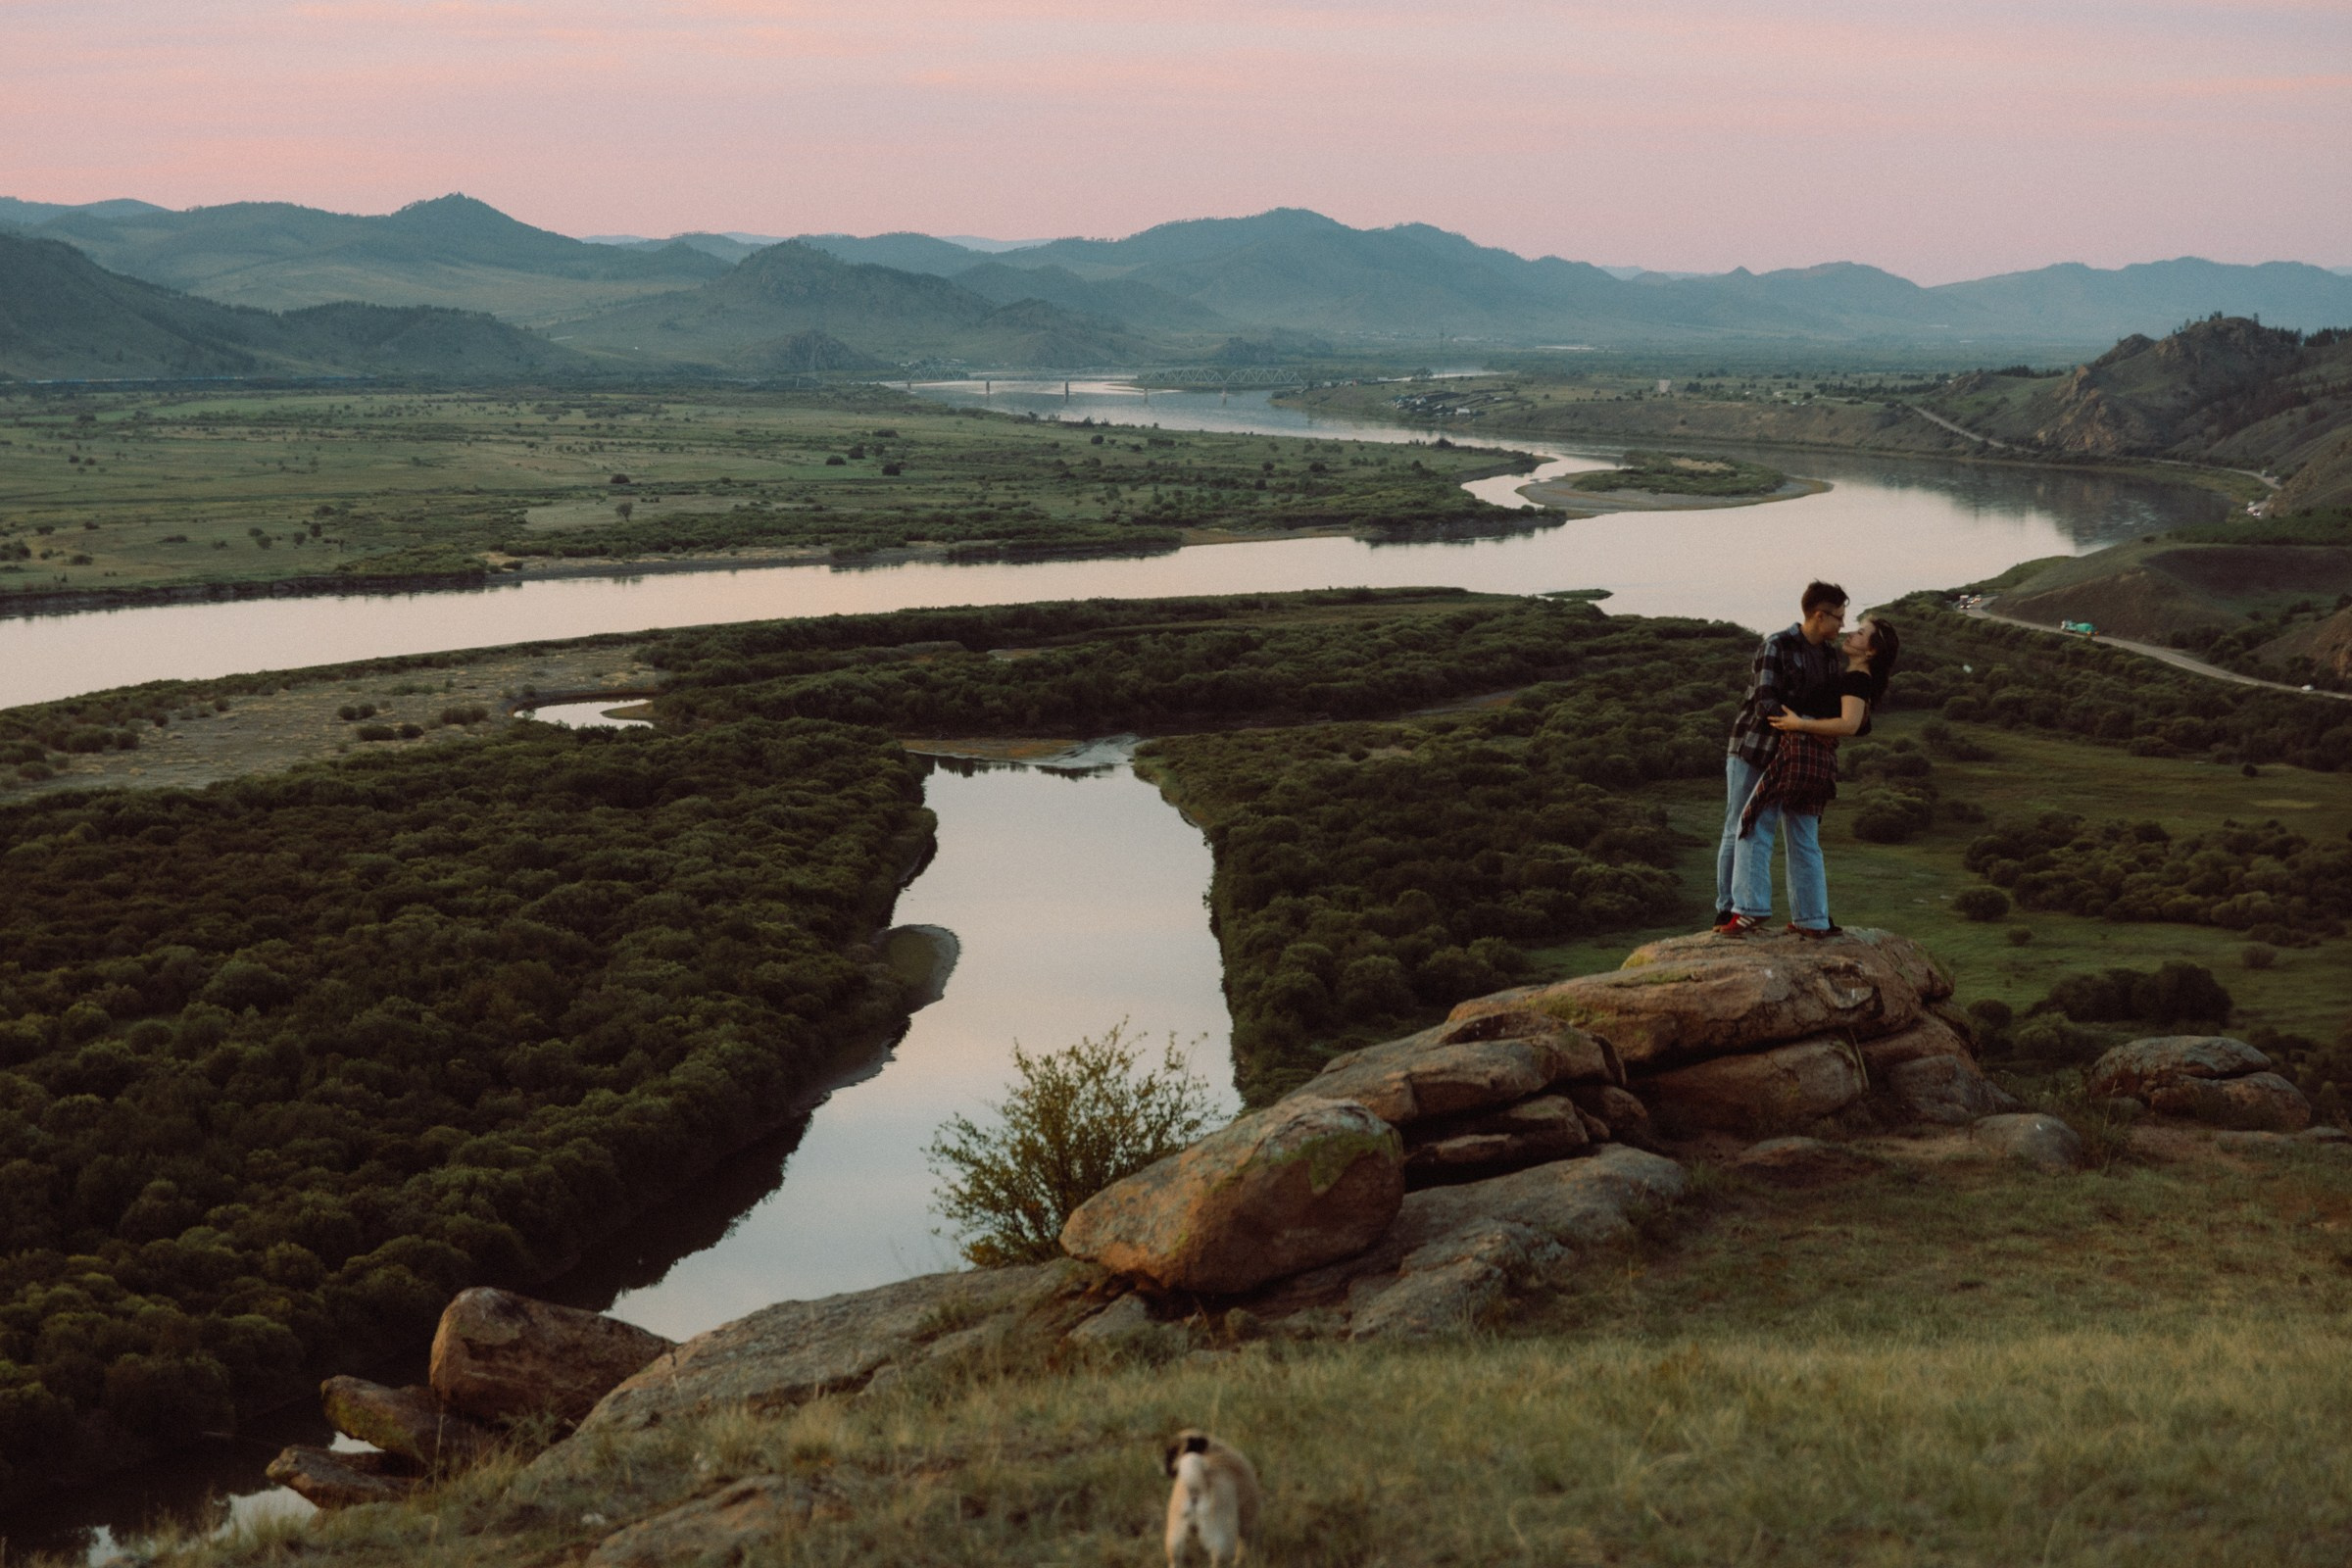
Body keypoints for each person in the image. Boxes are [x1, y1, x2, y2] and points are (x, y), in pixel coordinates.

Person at [1722, 613, 1901, 938]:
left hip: (1799, 755)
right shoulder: (1857, 678)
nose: (1850, 634)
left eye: (1861, 634)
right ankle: (1812, 919)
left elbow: (1849, 724)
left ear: (1871, 650)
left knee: (1752, 822)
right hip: (1818, 762)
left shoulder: (1857, 679)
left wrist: (1800, 724)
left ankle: (1750, 908)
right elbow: (1861, 725)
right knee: (1803, 838)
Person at [1714, 581, 1848, 932]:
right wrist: (1808, 726)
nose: (1842, 626)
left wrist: (1807, 727)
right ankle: (1728, 908)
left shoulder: (1832, 657)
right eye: (1838, 618)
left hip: (1799, 756)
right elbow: (1765, 702)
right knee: (1740, 826)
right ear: (1819, 615)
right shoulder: (1777, 645)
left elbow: (1833, 708)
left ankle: (1811, 916)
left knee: (1802, 833)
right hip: (1755, 749)